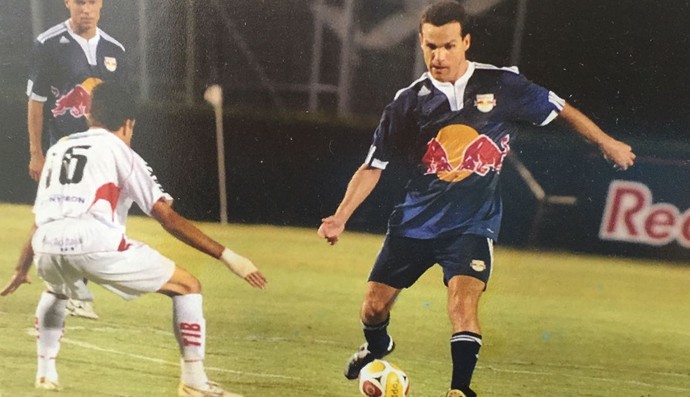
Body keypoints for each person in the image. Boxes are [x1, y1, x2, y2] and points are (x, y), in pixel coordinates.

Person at [317, 2, 635, 396]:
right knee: (373, 308)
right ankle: (379, 346)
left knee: (462, 304)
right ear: (421, 42)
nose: (439, 56)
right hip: (415, 223)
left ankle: (459, 390)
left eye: (448, 45)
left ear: (466, 42)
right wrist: (340, 216)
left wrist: (606, 142)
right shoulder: (407, 102)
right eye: (431, 46)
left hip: (472, 224)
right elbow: (372, 165)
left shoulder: (502, 85)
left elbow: (560, 108)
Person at [2, 82, 268, 397]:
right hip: (93, 241)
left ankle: (45, 375)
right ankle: (194, 383)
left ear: (88, 114)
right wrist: (228, 256)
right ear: (129, 123)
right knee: (188, 287)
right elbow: (166, 217)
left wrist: (21, 269)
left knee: (56, 289)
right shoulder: (122, 152)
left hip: (45, 244)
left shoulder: (60, 147)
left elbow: (40, 217)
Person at [27, 0, 128, 319]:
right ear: (67, 3)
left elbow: (124, 106)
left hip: (104, 151)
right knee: (64, 217)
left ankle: (72, 291)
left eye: (93, 1)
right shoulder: (48, 43)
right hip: (66, 150)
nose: (86, 8)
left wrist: (124, 153)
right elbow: (36, 102)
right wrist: (36, 152)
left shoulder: (115, 49)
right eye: (80, 1)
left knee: (98, 219)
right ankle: (67, 292)